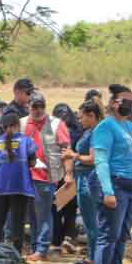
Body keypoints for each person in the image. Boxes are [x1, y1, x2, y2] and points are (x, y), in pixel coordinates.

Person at [90, 84, 132, 264]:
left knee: (122, 237)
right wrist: (108, 191)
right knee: (108, 236)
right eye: (125, 101)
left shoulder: (129, 127)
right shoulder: (105, 127)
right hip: (114, 185)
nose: (130, 105)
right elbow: (100, 161)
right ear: (113, 103)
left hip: (131, 187)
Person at [22, 91, 72, 262]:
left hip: (46, 177)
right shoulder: (22, 123)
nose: (38, 110)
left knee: (43, 213)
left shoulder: (57, 124)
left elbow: (66, 151)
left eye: (41, 106)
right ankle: (36, 246)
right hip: (25, 177)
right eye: (34, 106)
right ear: (29, 106)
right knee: (32, 214)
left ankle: (42, 248)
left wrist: (68, 174)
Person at [0, 112, 37, 252]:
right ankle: (15, 254)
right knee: (17, 223)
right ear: (18, 125)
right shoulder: (27, 142)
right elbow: (32, 163)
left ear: (2, 126)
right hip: (20, 187)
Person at [62, 101, 103, 264]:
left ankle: (95, 258)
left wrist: (74, 155)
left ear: (91, 115)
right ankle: (92, 255)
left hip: (90, 179)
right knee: (88, 221)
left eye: (81, 117)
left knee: (92, 221)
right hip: (82, 178)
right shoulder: (89, 132)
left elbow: (93, 159)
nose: (79, 121)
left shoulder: (97, 133)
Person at [51, 102, 80, 253]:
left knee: (58, 208)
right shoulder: (77, 130)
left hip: (63, 173)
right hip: (67, 174)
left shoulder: (55, 129)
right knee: (68, 209)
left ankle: (59, 239)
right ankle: (66, 238)